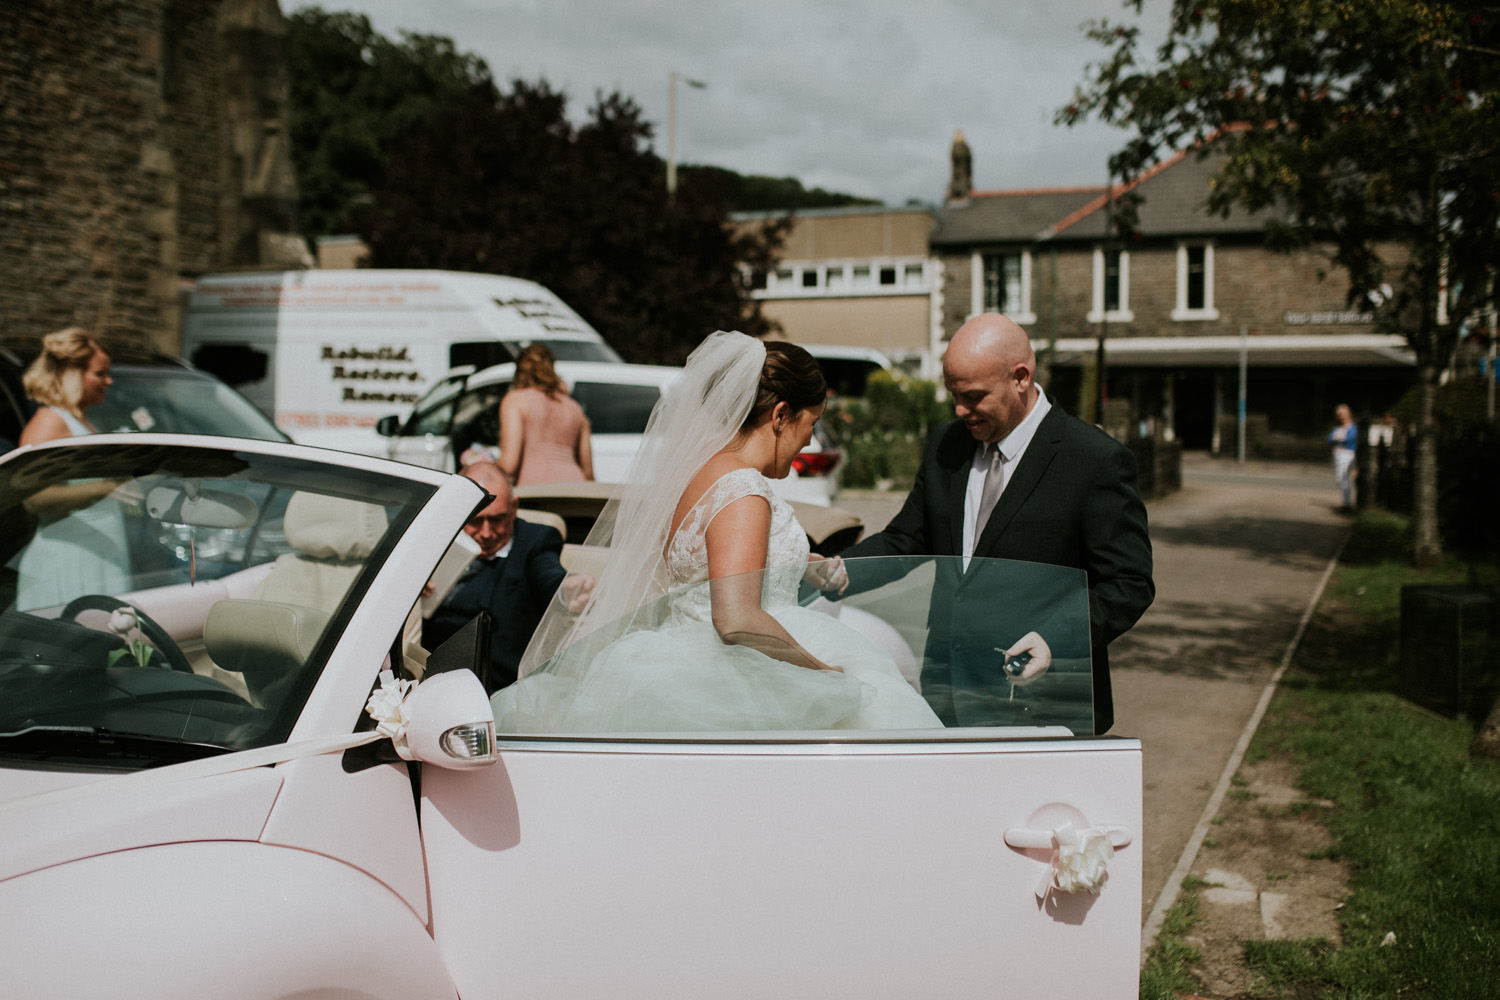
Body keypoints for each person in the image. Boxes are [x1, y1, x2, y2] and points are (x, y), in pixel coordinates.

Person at [494, 332, 941, 732]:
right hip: (734, 677)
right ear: (782, 415)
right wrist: (822, 672)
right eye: (812, 423)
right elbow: (737, 619)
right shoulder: (743, 488)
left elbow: (714, 563)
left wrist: (804, 564)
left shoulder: (697, 476)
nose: (809, 440)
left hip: (674, 662)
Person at [837, 313, 1154, 734]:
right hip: (947, 693)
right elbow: (906, 537)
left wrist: (1055, 639)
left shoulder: (1094, 460)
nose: (959, 410)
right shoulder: (947, 445)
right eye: (953, 395)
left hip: (1038, 703)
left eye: (973, 396)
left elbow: (1128, 584)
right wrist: (837, 570)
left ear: (1020, 377)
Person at [423, 462, 587, 692]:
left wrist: (567, 588)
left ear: (514, 508)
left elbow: (548, 574)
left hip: (501, 687)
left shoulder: (534, 541)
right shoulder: (431, 542)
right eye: (475, 521)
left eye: (498, 519)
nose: (487, 533)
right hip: (430, 679)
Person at [13, 327, 131, 608]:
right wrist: (105, 488)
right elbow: (34, 498)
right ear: (71, 372)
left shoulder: (81, 420)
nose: (109, 381)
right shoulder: (49, 422)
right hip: (67, 559)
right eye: (100, 374)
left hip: (96, 556)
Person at [498, 344, 593, 485]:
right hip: (575, 487)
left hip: (535, 487)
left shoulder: (515, 400)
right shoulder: (575, 408)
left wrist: (480, 467)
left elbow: (509, 464)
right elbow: (589, 473)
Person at [1327, 403, 1358, 511]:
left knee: (1343, 478)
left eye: (1344, 414)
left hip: (1346, 454)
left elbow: (1348, 440)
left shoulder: (1352, 427)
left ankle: (1347, 503)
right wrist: (1337, 440)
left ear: (1349, 414)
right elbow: (1329, 439)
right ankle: (1346, 502)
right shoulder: (1338, 428)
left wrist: (1338, 439)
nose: (1342, 417)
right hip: (1337, 454)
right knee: (1339, 479)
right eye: (1340, 414)